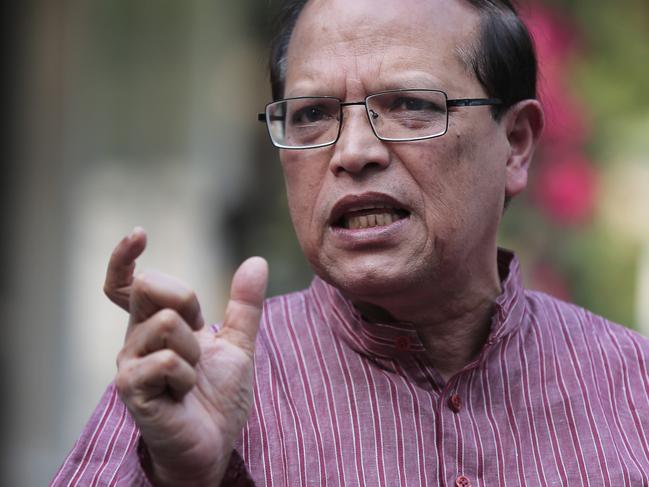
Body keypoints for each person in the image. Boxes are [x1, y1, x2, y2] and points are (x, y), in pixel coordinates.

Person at [53, 0, 649, 485]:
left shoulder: (631, 389)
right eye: (312, 114)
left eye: (410, 106)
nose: (353, 152)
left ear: (515, 143)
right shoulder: (192, 391)